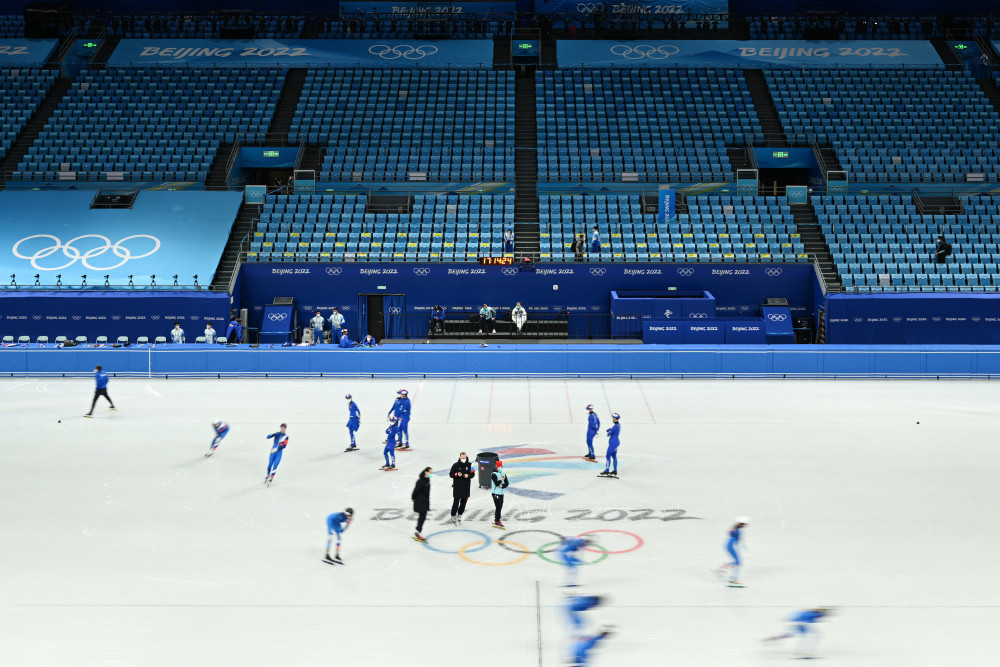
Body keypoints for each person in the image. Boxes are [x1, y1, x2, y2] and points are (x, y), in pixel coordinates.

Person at [764, 608, 834, 659]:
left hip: (798, 624)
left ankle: (800, 651)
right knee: (812, 637)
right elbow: (821, 615)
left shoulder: (805, 612)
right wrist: (827, 613)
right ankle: (805, 652)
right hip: (804, 625)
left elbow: (793, 618)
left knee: (794, 635)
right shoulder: (814, 613)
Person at [716, 516, 750, 586]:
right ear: (741, 523)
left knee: (737, 563)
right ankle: (728, 574)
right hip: (731, 546)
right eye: (745, 524)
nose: (746, 525)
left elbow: (738, 538)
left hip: (730, 545)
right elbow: (731, 533)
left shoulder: (738, 529)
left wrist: (743, 545)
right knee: (738, 563)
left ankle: (732, 577)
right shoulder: (735, 529)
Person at [449, 452, 475, 524]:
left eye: (465, 458)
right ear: (460, 457)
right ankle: (453, 515)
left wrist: (468, 475)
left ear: (466, 457)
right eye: (462, 458)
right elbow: (451, 474)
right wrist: (457, 474)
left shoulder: (470, 465)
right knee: (456, 503)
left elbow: (473, 474)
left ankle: (459, 514)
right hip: (457, 487)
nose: (463, 459)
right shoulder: (455, 465)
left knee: (463, 503)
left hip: (466, 488)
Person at [411, 467, 432, 541]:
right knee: (422, 516)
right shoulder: (421, 481)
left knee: (422, 516)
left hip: (424, 502)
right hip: (420, 501)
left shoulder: (427, 481)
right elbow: (416, 490)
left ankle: (418, 531)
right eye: (430, 472)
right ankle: (418, 531)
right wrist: (413, 497)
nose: (431, 474)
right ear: (426, 472)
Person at [599, 412, 621, 477]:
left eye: (613, 418)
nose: (612, 419)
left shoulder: (615, 426)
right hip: (616, 442)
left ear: (615, 418)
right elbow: (614, 431)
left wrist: (609, 431)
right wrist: (611, 430)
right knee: (614, 456)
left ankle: (607, 470)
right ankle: (615, 470)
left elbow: (608, 434)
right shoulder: (618, 425)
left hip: (613, 443)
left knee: (608, 456)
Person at [490, 460, 510, 529]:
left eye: (501, 466)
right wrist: (501, 480)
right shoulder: (493, 474)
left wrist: (503, 486)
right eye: (499, 467)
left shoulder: (503, 474)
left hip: (501, 493)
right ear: (497, 467)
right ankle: (497, 520)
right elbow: (496, 483)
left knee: (500, 506)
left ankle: (496, 519)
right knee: (498, 506)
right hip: (495, 493)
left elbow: (507, 483)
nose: (500, 468)